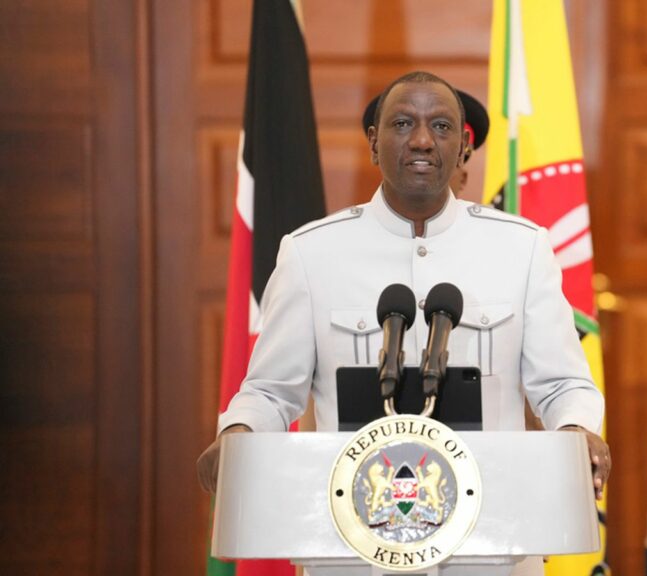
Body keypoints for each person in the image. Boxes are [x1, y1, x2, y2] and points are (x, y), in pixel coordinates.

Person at [197, 72, 610, 573]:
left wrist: (577, 429)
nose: (420, 140)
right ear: (374, 142)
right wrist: (238, 430)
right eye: (401, 123)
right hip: (352, 550)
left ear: (463, 149)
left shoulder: (521, 249)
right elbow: (270, 391)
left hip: (491, 548)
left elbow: (563, 383)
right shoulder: (311, 253)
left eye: (440, 126)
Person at [361, 87, 489, 196]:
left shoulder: (493, 226)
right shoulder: (347, 225)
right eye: (402, 124)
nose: (422, 142)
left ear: (462, 180)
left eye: (442, 126)